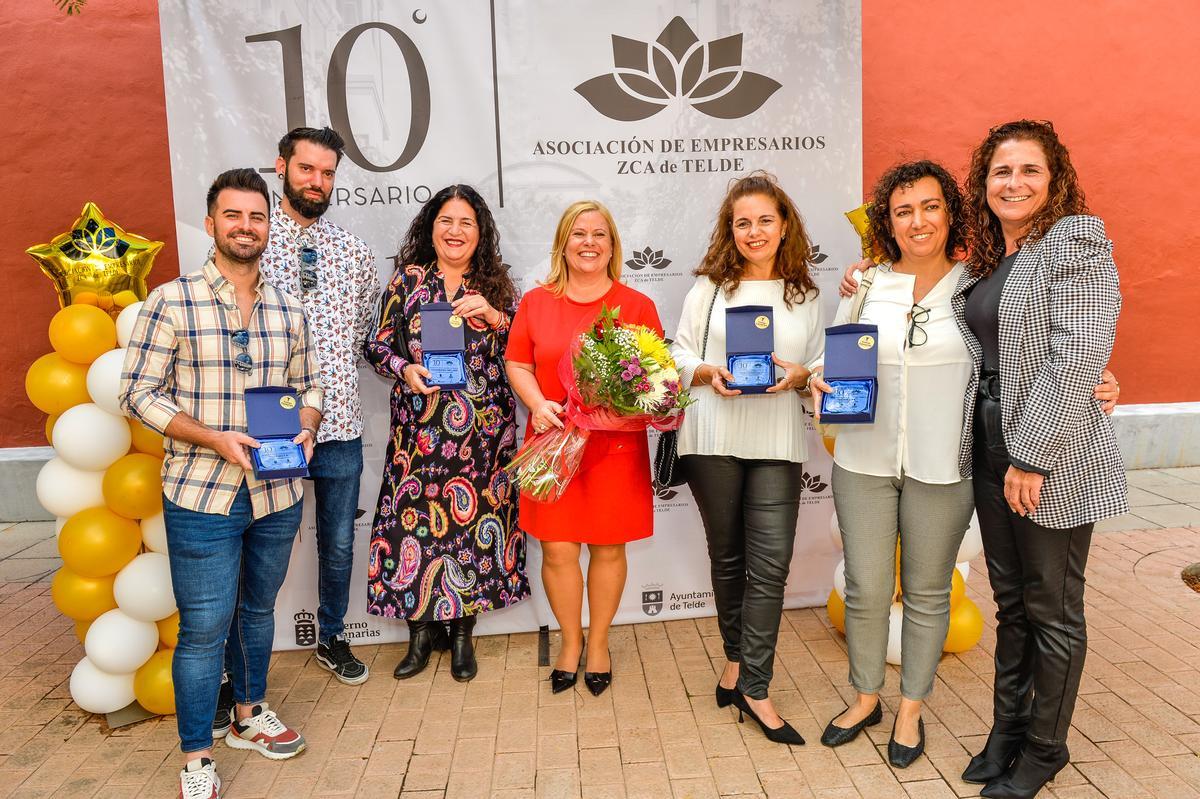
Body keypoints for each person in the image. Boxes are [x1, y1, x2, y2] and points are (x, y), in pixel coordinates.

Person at [122, 168, 322, 799]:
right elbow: (137, 394)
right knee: (206, 625)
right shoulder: (171, 302)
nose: (246, 226)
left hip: (277, 491)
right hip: (201, 494)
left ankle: (248, 714)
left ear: (269, 227)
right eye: (233, 216)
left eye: (257, 217)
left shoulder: (289, 309)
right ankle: (197, 755)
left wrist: (309, 427)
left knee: (259, 610)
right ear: (210, 225)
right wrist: (214, 437)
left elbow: (310, 386)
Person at [957, 120, 1127, 799]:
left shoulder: (1074, 241)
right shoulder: (995, 259)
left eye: (1030, 169)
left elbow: (1078, 352)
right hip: (990, 448)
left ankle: (1046, 746)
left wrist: (1031, 456)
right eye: (1002, 170)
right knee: (1010, 602)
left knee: (1052, 607)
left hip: (1044, 453)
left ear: (1054, 179)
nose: (1014, 182)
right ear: (985, 183)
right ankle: (1007, 730)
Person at [809, 161, 975, 767]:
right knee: (866, 585)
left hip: (945, 464)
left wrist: (1099, 382)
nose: (917, 221)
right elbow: (832, 359)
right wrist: (822, 382)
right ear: (889, 221)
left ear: (950, 213)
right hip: (864, 458)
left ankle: (911, 708)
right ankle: (865, 696)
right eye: (903, 210)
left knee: (929, 591)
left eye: (929, 207)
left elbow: (1019, 363)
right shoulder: (865, 285)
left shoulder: (979, 287)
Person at [669, 172, 822, 744]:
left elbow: (819, 367)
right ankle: (738, 667)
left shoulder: (804, 294)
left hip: (777, 438)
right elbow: (679, 353)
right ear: (728, 231)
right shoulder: (708, 289)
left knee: (771, 565)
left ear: (785, 226)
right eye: (742, 223)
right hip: (712, 435)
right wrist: (707, 372)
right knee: (729, 559)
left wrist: (803, 376)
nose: (754, 232)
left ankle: (755, 685)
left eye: (764, 220)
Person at [364, 184, 528, 682]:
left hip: (484, 436)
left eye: (466, 223)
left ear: (481, 234)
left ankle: (461, 638)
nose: (455, 231)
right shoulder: (407, 282)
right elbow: (376, 345)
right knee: (412, 527)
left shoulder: (497, 287)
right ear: (430, 228)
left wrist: (498, 319)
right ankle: (418, 639)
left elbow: (525, 350)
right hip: (419, 433)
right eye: (446, 221)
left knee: (475, 532)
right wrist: (403, 368)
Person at [505, 200, 662, 697]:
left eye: (599, 233)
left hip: (612, 449)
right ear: (563, 244)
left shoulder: (637, 306)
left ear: (613, 245)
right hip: (551, 444)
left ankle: (599, 643)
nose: (589, 242)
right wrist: (537, 404)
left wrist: (618, 407)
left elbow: (654, 382)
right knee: (556, 549)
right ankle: (570, 642)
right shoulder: (536, 302)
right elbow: (518, 364)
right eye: (578, 233)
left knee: (608, 548)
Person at [257, 126, 379, 688]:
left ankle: (332, 635)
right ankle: (243, 656)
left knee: (337, 540)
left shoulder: (352, 252)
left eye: (328, 173)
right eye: (307, 169)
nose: (317, 181)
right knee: (267, 541)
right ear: (280, 167)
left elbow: (359, 335)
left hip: (343, 423)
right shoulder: (253, 243)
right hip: (274, 420)